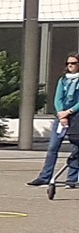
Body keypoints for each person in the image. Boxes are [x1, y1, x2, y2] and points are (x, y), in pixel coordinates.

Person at [26, 54, 79, 188]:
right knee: (52, 147)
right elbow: (58, 98)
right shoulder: (63, 80)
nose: (70, 65)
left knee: (76, 148)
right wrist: (62, 114)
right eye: (68, 63)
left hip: (76, 116)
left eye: (73, 63)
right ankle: (45, 177)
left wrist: (69, 112)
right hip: (61, 117)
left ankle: (71, 179)